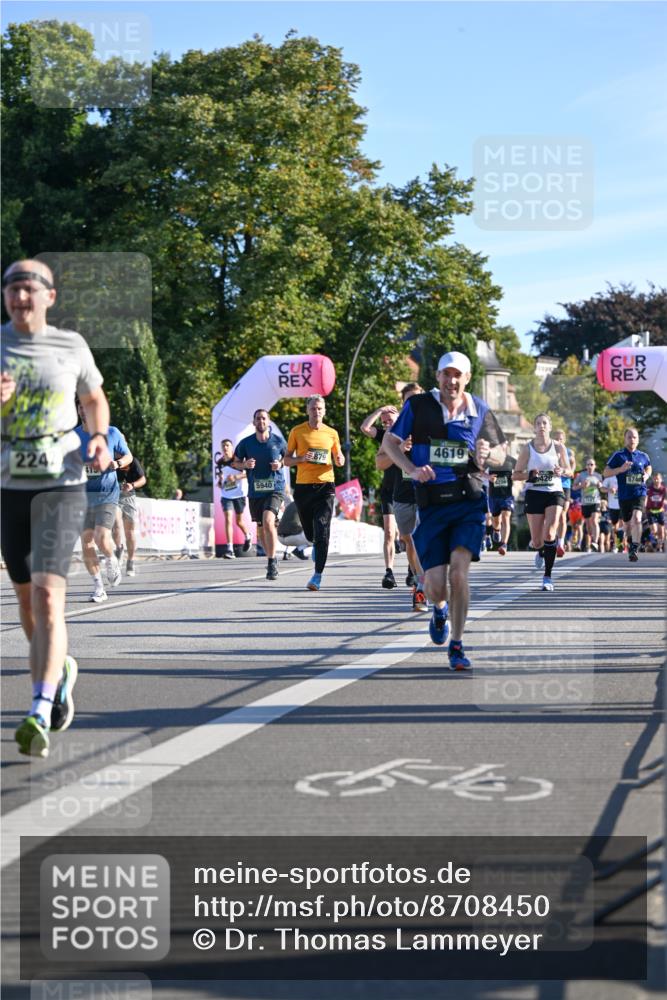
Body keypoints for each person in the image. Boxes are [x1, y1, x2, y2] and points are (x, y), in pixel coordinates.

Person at [1, 258, 112, 757]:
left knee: (48, 596)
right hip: (8, 482)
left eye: (29, 289)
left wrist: (98, 438)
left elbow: (93, 399)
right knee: (26, 600)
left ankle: (40, 708)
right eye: (11, 289)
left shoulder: (71, 346)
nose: (20, 298)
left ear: (50, 295)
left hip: (61, 479)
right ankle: (61, 670)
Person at [381, 351, 507, 670]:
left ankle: (457, 644)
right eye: (445, 374)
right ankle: (439, 610)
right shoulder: (418, 406)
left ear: (466, 379)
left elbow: (502, 451)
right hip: (432, 502)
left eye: (457, 375)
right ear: (437, 377)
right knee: (436, 585)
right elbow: (390, 442)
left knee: (459, 574)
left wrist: (488, 453)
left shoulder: (479, 409)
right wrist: (410, 469)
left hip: (468, 500)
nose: (451, 381)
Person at [284, 394, 345, 591]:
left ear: (324, 411)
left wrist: (340, 460)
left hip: (326, 486)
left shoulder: (332, 433)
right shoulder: (297, 431)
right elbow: (286, 460)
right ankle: (314, 544)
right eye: (313, 408)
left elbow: (338, 456)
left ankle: (317, 575)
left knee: (322, 529)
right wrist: (301, 458)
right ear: (307, 410)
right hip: (303, 488)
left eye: (320, 409)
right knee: (311, 534)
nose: (316, 412)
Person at [377, 382, 428, 611]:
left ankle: (421, 587)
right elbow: (380, 463)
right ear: (403, 403)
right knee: (408, 541)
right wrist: (400, 452)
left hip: (427, 492)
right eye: (408, 400)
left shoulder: (432, 425)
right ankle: (419, 577)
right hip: (402, 494)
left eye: (416, 398)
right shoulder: (394, 430)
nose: (413, 403)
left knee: (420, 540)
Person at [76, 401, 132, 602]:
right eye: (80, 406)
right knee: (86, 541)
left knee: (101, 537)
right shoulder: (72, 436)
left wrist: (116, 464)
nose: (83, 410)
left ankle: (111, 559)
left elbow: (128, 457)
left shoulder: (112, 432)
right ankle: (99, 587)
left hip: (107, 493)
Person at [514, 413, 569, 592]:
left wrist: (562, 470)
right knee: (538, 541)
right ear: (534, 428)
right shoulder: (527, 448)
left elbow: (569, 470)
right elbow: (516, 474)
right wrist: (530, 475)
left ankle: (547, 576)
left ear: (550, 427)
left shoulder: (559, 447)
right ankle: (539, 550)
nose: (542, 426)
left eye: (545, 423)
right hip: (534, 493)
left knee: (551, 532)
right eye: (538, 423)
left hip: (554, 492)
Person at [234, 409, 286, 580]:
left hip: (275, 489)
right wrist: (245, 465)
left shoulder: (278, 441)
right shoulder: (246, 443)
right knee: (261, 529)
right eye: (258, 419)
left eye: (264, 418)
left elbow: (290, 458)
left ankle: (271, 562)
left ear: (268, 422)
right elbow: (235, 462)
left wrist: (280, 463)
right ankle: (271, 555)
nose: (261, 421)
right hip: (255, 491)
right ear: (254, 422)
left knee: (268, 520)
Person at [361, 404, 400, 588]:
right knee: (389, 532)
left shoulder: (410, 433)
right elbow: (365, 428)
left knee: (410, 535)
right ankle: (389, 571)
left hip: (409, 489)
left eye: (389, 420)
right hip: (389, 490)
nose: (386, 424)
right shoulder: (385, 437)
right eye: (383, 422)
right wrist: (378, 411)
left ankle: (412, 570)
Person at [603, 428, 652, 563]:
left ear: (638, 439)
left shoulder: (643, 456)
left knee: (637, 518)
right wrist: (620, 469)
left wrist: (647, 475)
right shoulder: (618, 456)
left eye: (635, 437)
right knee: (627, 525)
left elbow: (649, 466)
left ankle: (635, 547)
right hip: (624, 496)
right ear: (625, 439)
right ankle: (631, 541)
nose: (632, 440)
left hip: (639, 493)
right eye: (629, 437)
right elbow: (606, 472)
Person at [216, 438, 252, 558]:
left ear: (232, 447)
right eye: (223, 446)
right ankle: (230, 549)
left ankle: (248, 536)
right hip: (226, 494)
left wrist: (236, 477)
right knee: (228, 518)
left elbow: (247, 473)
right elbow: (221, 476)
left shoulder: (237, 460)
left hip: (239, 494)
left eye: (227, 445)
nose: (225, 448)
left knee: (239, 521)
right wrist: (220, 482)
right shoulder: (220, 462)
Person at [112, 453, 146, 576]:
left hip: (128, 497)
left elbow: (143, 479)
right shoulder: (109, 459)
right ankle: (118, 547)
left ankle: (130, 560)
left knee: (129, 532)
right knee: (115, 523)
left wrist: (132, 485)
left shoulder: (132, 461)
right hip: (113, 496)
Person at [573, 458, 604, 553]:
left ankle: (595, 542)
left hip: (596, 501)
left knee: (594, 521)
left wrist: (600, 485)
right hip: (585, 502)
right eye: (588, 464)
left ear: (595, 466)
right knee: (588, 525)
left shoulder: (598, 476)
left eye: (591, 464)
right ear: (586, 466)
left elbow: (602, 488)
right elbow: (574, 487)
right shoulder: (581, 475)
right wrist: (581, 485)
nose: (590, 466)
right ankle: (591, 539)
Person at [552, 429, 575, 557]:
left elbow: (571, 473)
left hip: (564, 485)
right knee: (552, 515)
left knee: (562, 514)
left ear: (564, 440)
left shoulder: (569, 453)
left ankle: (560, 543)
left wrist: (563, 469)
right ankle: (551, 539)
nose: (558, 442)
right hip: (551, 485)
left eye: (561, 439)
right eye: (556, 439)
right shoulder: (547, 451)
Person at [488, 454, 516, 556]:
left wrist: (516, 475)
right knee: (496, 521)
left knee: (506, 517)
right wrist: (488, 477)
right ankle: (496, 530)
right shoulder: (489, 459)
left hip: (507, 496)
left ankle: (504, 544)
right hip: (494, 496)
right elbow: (478, 470)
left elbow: (522, 469)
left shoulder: (511, 460)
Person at [601, 473, 624, 552]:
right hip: (613, 506)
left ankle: (621, 544)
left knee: (623, 525)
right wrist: (609, 490)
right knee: (615, 527)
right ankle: (617, 544)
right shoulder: (610, 476)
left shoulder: (625, 475)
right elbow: (602, 488)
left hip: (624, 504)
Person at [646, 472, 666, 553]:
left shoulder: (664, 489)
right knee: (654, 530)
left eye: (658, 478)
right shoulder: (650, 489)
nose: (656, 480)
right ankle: (654, 543)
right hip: (651, 511)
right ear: (653, 479)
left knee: (661, 531)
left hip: (660, 511)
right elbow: (646, 498)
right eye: (655, 478)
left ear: (661, 479)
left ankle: (660, 546)